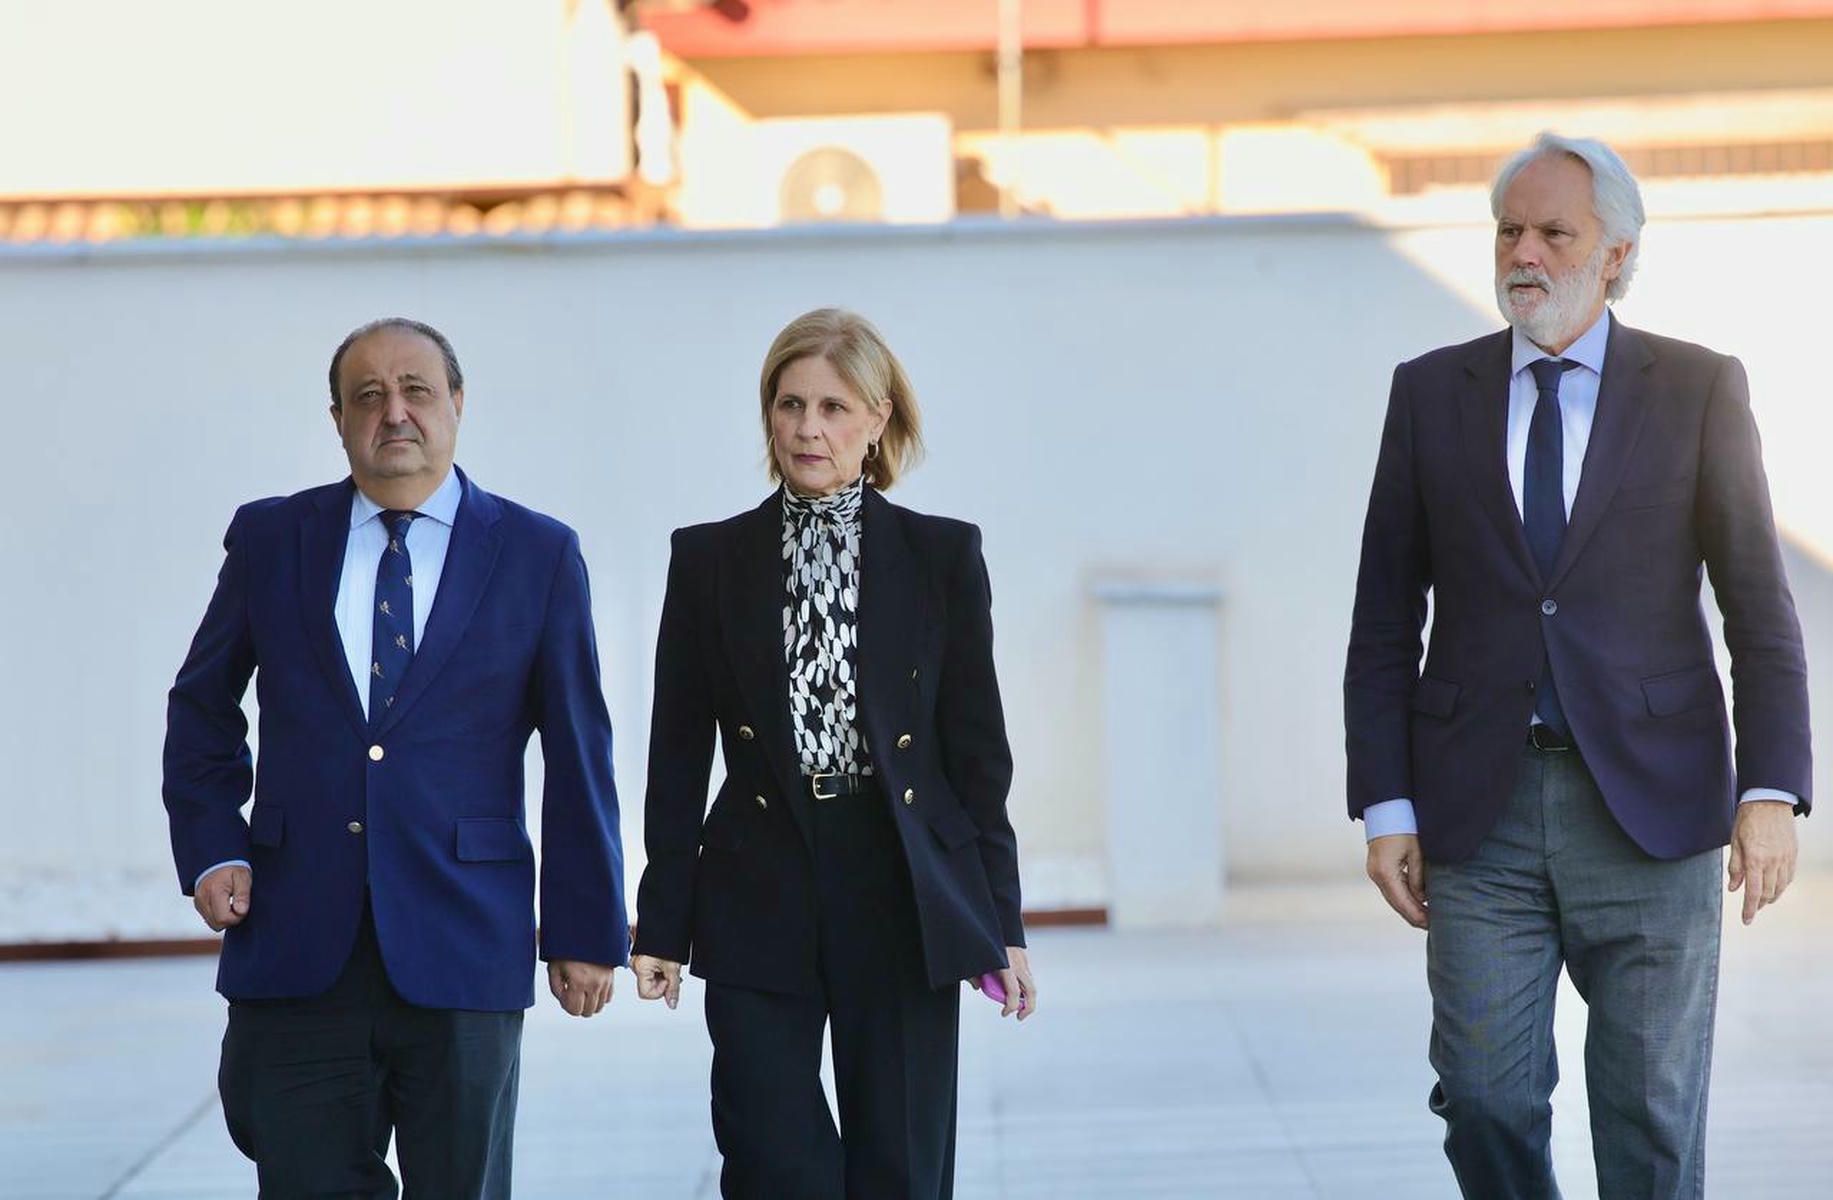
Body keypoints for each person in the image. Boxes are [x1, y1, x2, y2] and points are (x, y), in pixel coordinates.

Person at [1344, 132, 1811, 1199]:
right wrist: (1386, 807)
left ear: (1616, 255)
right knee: (1483, 1097)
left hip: (1654, 811)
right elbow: (1381, 622)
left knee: (1649, 1115)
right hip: (1480, 813)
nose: (1526, 252)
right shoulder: (1430, 394)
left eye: (1556, 232)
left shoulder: (1697, 389)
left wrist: (1771, 788)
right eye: (1510, 229)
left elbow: (1758, 605)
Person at [162, 317, 628, 1198]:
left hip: (464, 940)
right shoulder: (271, 540)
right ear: (336, 419)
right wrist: (214, 843)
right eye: (367, 395)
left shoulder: (537, 553)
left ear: (457, 403)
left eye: (416, 389)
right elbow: (200, 705)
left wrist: (582, 929)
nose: (394, 412)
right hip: (298, 940)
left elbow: (578, 750)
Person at [629, 307, 1036, 1198]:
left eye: (833, 407)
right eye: (788, 404)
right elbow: (675, 755)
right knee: (774, 1161)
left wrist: (999, 922)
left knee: (900, 1164)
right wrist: (660, 920)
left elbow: (978, 760)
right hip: (756, 883)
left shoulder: (940, 556)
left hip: (899, 885)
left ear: (878, 419)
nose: (807, 428)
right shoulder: (706, 561)